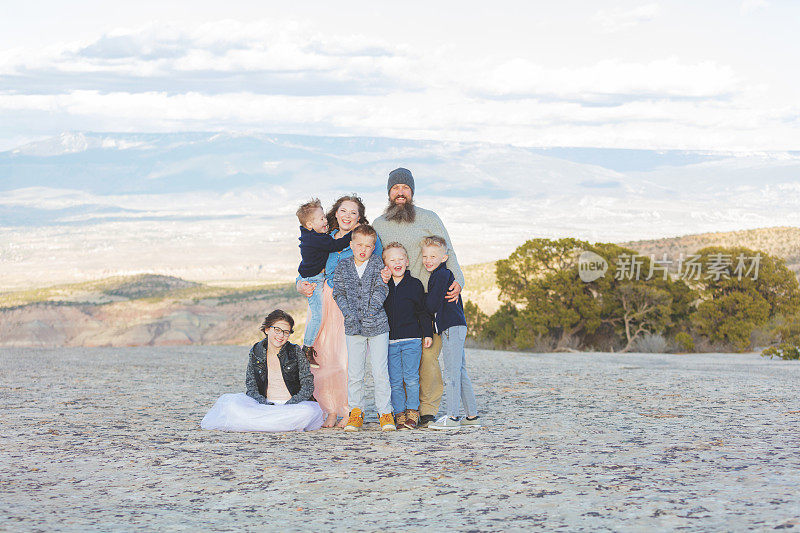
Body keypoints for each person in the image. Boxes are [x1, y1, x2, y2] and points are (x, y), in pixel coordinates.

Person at [372, 168, 465, 427]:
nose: (400, 192)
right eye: (395, 188)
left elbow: (450, 252)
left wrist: (459, 282)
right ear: (389, 193)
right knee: (397, 359)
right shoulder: (380, 224)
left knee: (427, 357)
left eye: (405, 188)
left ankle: (426, 409)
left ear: (412, 192)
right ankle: (401, 409)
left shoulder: (429, 218)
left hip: (430, 300)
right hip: (395, 302)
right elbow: (369, 257)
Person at [296, 195, 383, 428]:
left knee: (347, 361)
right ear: (336, 213)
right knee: (324, 361)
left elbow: (378, 268)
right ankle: (329, 410)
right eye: (343, 211)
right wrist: (298, 283)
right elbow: (308, 265)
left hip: (350, 305)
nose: (347, 216)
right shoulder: (326, 238)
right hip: (325, 300)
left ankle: (349, 410)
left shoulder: (365, 239)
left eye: (353, 212)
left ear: (359, 217)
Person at [201, 309, 324, 432]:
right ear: (267, 329)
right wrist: (264, 404)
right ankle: (280, 423)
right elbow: (251, 385)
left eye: (286, 332)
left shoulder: (296, 351)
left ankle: (265, 423)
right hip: (263, 405)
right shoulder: (256, 351)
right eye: (277, 330)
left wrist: (290, 404)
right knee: (231, 404)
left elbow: (307, 386)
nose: (281, 336)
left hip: (293, 406)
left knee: (309, 411)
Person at [332, 224, 395, 432]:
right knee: (355, 373)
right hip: (352, 326)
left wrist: (369, 313)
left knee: (380, 372)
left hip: (377, 325)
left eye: (368, 246)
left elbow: (381, 289)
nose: (363, 249)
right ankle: (356, 412)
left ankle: (385, 412)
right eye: (359, 244)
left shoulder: (378, 264)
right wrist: (349, 314)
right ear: (351, 245)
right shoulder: (343, 265)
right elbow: (338, 292)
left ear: (373, 247)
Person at [420, 236, 479, 430]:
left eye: (433, 256)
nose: (428, 260)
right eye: (425, 256)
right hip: (457, 326)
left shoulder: (441, 275)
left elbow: (432, 304)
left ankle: (452, 417)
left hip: (451, 327)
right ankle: (472, 416)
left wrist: (420, 301)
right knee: (460, 371)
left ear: (444, 257)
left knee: (452, 373)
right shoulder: (442, 275)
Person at [296, 198, 353, 368]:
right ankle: (306, 349)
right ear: (309, 224)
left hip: (314, 280)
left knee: (318, 316)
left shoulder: (312, 237)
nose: (325, 221)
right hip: (313, 282)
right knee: (317, 315)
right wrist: (354, 233)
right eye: (321, 219)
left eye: (324, 217)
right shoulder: (317, 239)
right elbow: (338, 244)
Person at [382, 242, 433, 429]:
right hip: (389, 341)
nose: (397, 262)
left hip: (412, 339)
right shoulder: (383, 285)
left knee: (411, 378)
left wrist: (427, 333)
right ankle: (399, 413)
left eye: (400, 259)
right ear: (385, 264)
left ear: (407, 261)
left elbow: (422, 312)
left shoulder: (415, 285)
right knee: (394, 380)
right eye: (392, 259)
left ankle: (413, 411)